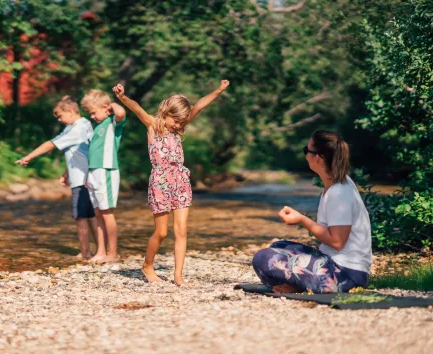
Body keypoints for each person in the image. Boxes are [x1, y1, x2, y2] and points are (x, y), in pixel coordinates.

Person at [113, 80, 230, 286]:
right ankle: (147, 265)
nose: (178, 125)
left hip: (181, 180)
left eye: (182, 123)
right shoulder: (153, 125)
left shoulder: (179, 127)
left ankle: (178, 276)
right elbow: (137, 108)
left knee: (182, 229)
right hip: (160, 181)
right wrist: (122, 97)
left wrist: (219, 91)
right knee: (161, 232)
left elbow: (200, 105)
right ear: (165, 112)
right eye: (175, 121)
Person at [252, 130, 372, 293]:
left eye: (306, 150)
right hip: (334, 264)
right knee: (278, 246)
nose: (305, 154)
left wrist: (302, 220)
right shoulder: (336, 185)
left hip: (346, 275)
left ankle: (305, 286)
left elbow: (337, 241)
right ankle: (298, 285)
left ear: (318, 157)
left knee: (263, 258)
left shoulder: (339, 192)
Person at [15, 96, 98, 259]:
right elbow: (79, 153)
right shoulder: (83, 124)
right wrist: (66, 173)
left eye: (60, 116)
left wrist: (28, 157)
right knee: (91, 215)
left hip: (81, 181)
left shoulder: (76, 128)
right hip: (85, 177)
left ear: (71, 111)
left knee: (81, 216)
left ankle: (85, 252)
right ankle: (101, 250)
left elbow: (50, 144)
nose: (59, 120)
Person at [80, 89, 126, 264]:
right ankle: (100, 251)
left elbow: (120, 112)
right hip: (94, 172)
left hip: (106, 170)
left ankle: (112, 252)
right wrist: (88, 174)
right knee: (98, 212)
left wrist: (111, 105)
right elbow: (93, 152)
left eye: (94, 112)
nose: (92, 116)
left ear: (106, 108)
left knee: (107, 213)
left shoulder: (112, 123)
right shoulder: (97, 127)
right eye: (90, 113)